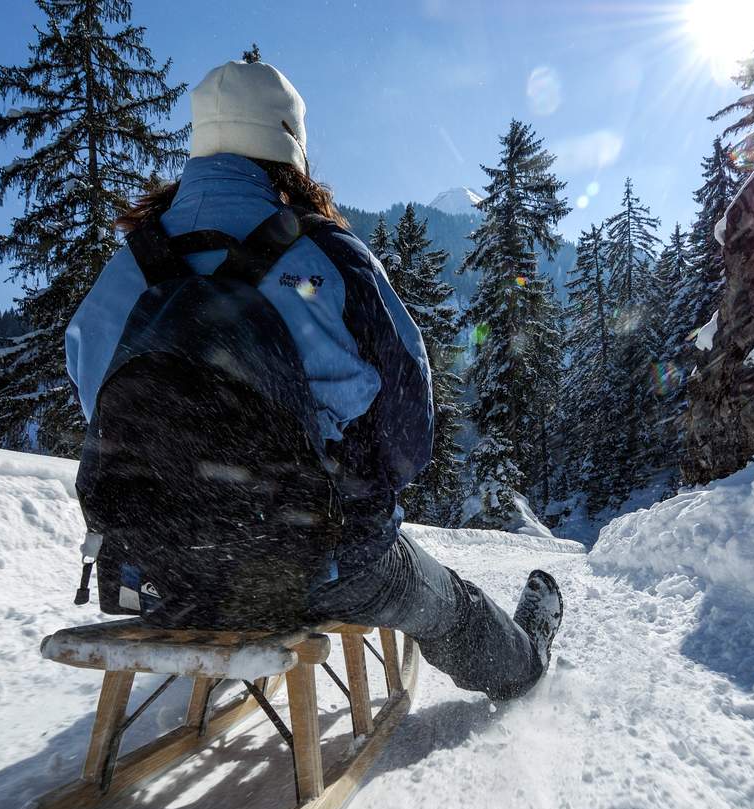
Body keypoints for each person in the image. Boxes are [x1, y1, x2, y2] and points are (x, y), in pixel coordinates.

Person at [65, 56, 562, 701]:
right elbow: (408, 412)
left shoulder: (129, 267)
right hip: (309, 565)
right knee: (443, 604)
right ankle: (523, 667)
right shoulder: (320, 256)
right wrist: (362, 497)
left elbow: (97, 400)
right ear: (289, 147)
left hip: (152, 564)